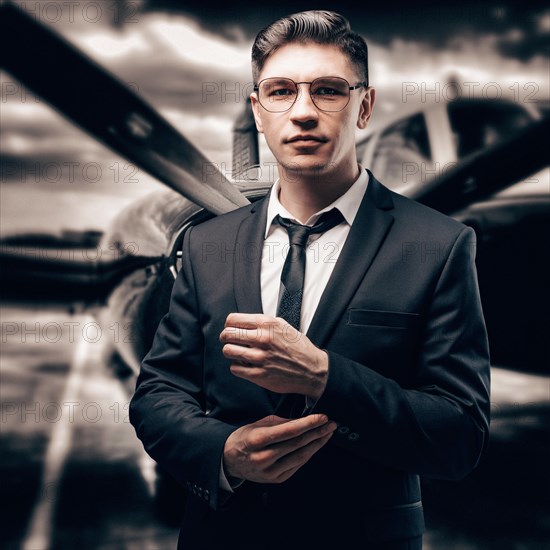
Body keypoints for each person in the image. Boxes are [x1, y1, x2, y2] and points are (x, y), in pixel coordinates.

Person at [130, 10, 490, 550]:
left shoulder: (440, 244)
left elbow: (459, 436)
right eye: (280, 91)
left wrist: (324, 376)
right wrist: (222, 452)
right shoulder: (207, 245)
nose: (302, 113)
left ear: (364, 106)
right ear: (258, 110)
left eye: (328, 90)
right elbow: (157, 393)